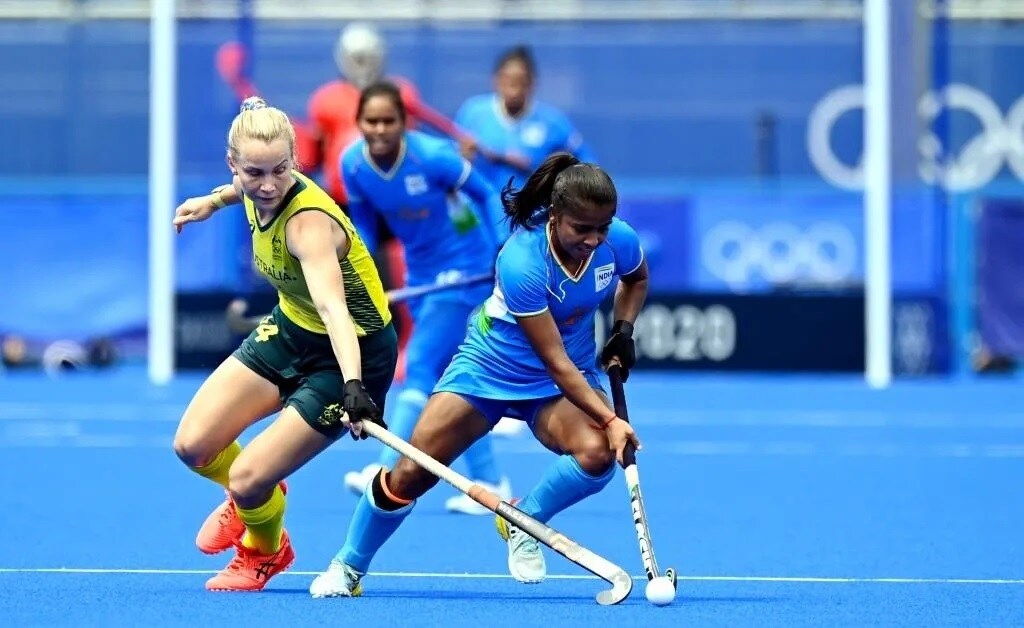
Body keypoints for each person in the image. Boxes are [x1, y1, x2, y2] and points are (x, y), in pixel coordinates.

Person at [308, 152, 647, 598]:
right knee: (411, 474)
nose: (593, 239)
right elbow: (554, 363)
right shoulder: (523, 259)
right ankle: (348, 566)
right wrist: (610, 417)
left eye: (601, 228)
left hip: (561, 380)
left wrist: (623, 330)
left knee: (599, 452)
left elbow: (635, 279)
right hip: (490, 369)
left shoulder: (616, 240)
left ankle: (524, 522)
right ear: (555, 215)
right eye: (581, 229)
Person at [171, 97, 398, 592]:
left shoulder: (306, 224)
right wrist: (212, 201)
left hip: (350, 354)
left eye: (281, 169)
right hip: (293, 328)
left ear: (296, 159)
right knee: (193, 445)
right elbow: (242, 192)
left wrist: (357, 388)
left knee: (249, 477)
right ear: (234, 164)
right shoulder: (252, 188)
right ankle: (255, 493)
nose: (269, 185)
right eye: (254, 172)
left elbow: (336, 311)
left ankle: (265, 551)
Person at [339, 81, 512, 515]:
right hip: (420, 273)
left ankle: (383, 468)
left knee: (417, 367)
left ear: (404, 122)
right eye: (370, 121)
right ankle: (492, 481)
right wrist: (359, 277)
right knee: (452, 383)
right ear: (359, 123)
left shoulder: (432, 157)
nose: (379, 130)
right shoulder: (353, 166)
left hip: (465, 270)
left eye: (388, 121)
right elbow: (361, 227)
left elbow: (487, 194)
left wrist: (499, 255)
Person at [301, 21, 477, 383]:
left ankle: (413, 343)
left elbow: (417, 138)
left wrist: (455, 143)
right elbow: (316, 150)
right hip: (345, 199)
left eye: (369, 56)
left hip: (396, 199)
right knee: (343, 267)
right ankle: (342, 346)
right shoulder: (326, 99)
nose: (362, 63)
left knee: (403, 263)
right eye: (355, 56)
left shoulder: (400, 92)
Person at [455, 45, 597, 243]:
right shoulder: (472, 113)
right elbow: (451, 167)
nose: (513, 89)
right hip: (481, 221)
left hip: (531, 224)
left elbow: (587, 165)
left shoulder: (553, 122)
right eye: (507, 81)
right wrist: (463, 157)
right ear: (496, 81)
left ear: (532, 84)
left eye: (520, 82)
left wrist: (560, 169)